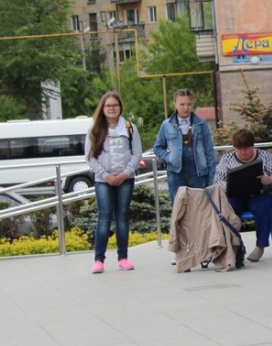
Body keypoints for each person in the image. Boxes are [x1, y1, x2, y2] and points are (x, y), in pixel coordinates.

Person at [85, 92, 143, 274]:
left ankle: (123, 258)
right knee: (104, 218)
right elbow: (90, 157)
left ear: (120, 107)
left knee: (122, 218)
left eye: (115, 105)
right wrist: (106, 175)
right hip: (103, 181)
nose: (112, 108)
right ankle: (99, 260)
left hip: (125, 179)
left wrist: (125, 174)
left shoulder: (129, 128)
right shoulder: (95, 130)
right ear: (102, 108)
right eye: (108, 105)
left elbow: (137, 154)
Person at [214, 129, 272, 262]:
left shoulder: (265, 156)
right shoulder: (227, 159)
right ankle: (232, 245)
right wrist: (229, 185)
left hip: (259, 194)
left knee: (264, 207)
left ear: (252, 146)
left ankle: (260, 246)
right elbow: (217, 181)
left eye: (246, 148)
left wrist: (270, 180)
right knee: (227, 210)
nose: (242, 152)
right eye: (239, 149)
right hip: (236, 196)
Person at [153, 88, 216, 201]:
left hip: (198, 172)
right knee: (179, 207)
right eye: (182, 104)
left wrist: (212, 177)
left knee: (199, 206)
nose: (186, 108)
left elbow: (209, 151)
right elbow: (158, 147)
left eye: (189, 104)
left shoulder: (202, 124)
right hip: (176, 173)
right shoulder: (167, 125)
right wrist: (169, 157)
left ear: (193, 104)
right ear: (175, 104)